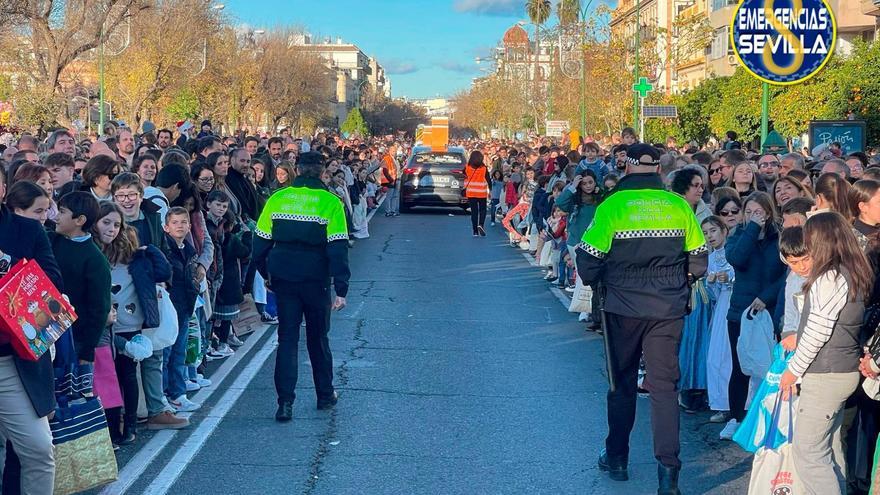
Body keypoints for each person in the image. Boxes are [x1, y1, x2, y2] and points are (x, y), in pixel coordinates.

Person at [576, 144, 708, 495]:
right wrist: (681, 284)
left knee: (621, 384)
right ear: (658, 170)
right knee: (664, 389)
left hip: (622, 307)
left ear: (628, 167)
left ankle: (617, 457)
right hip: (667, 309)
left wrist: (602, 282)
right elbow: (698, 258)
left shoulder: (613, 206)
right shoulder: (678, 205)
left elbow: (587, 257)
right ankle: (669, 474)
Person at [252, 152, 350, 422]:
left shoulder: (277, 199)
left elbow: (259, 243)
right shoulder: (331, 202)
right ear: (322, 173)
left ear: (297, 170)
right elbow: (338, 247)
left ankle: (285, 403)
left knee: (287, 340)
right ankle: (325, 394)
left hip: (283, 277)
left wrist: (266, 275)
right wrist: (341, 287)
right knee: (318, 339)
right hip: (315, 279)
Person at [779, 212, 871, 495]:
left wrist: (793, 371)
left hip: (826, 372)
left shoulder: (829, 277)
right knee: (829, 449)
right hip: (842, 369)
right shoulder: (852, 270)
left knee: (808, 453)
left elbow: (818, 330)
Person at [0, 167, 61, 494]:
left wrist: (13, 289)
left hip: (12, 360)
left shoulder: (27, 230)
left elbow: (54, 283)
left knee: (39, 449)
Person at [720, 191, 786, 440]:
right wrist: (750, 230)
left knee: (768, 366)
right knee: (739, 367)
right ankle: (735, 417)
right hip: (740, 312)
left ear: (768, 213)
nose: (752, 216)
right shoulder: (738, 235)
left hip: (767, 310)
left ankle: (766, 418)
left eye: (758, 212)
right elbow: (736, 259)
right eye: (748, 212)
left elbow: (784, 274)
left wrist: (767, 297)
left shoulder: (778, 238)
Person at [50, 192, 112, 365]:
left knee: (69, 389)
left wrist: (87, 351)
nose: (56, 217)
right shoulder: (52, 241)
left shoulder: (95, 259)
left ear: (79, 220)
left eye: (62, 212)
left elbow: (99, 309)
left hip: (74, 339)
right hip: (45, 331)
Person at [161, 207, 202, 413]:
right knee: (166, 354)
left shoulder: (189, 249)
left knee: (179, 353)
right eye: (175, 222)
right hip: (169, 308)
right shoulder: (165, 249)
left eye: (183, 222)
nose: (180, 226)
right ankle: (165, 394)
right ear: (166, 227)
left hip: (185, 306)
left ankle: (178, 394)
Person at [703, 216, 733, 423]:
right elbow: (712, 294)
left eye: (713, 231)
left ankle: (737, 403)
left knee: (732, 356)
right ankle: (721, 403)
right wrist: (712, 282)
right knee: (716, 357)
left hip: (737, 302)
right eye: (705, 233)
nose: (709, 236)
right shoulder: (710, 258)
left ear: (723, 230)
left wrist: (729, 277)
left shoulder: (733, 251)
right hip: (722, 306)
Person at [463, 151, 491, 237]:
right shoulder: (484, 168)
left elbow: (464, 174)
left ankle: (475, 231)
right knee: (483, 210)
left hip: (471, 192)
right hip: (481, 192)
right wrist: (491, 190)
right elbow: (488, 180)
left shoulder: (467, 167)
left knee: (474, 212)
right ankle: (481, 224)